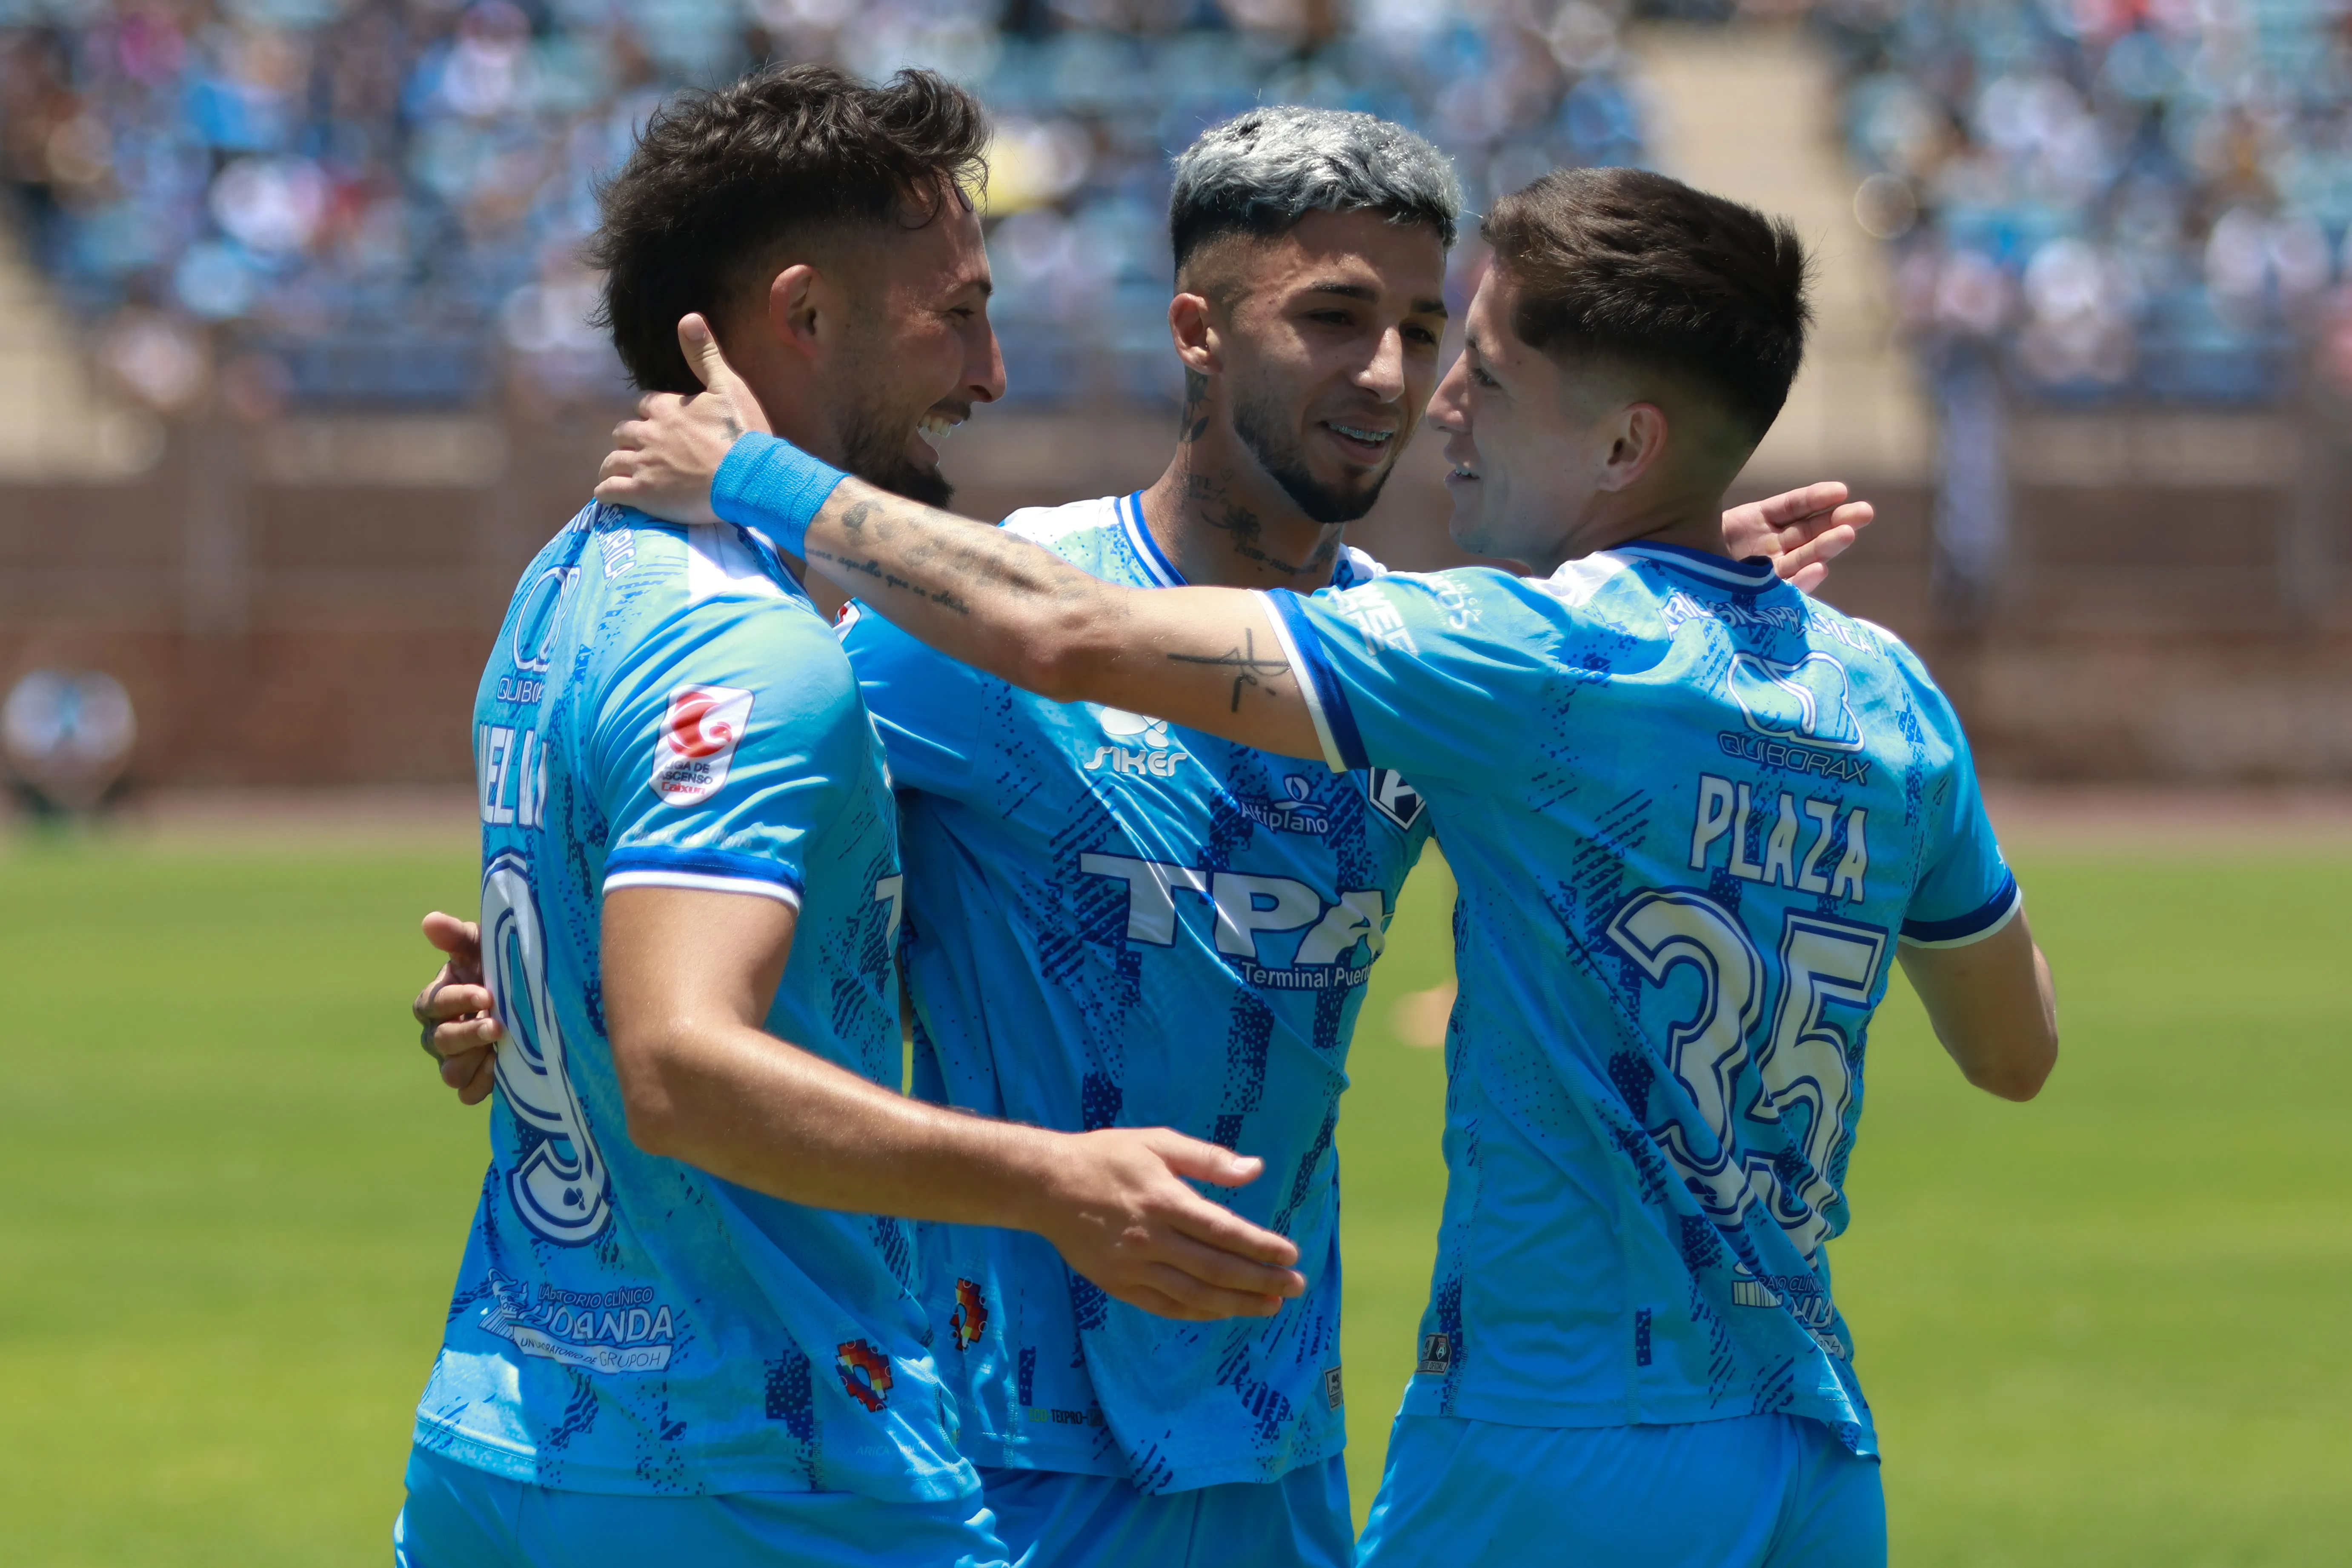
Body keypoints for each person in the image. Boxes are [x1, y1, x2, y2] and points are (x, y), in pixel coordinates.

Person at [415, 110, 1877, 1566]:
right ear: (1199, 331)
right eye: (1331, 316)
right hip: (1000, 1451)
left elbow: (1608, 730)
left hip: (1276, 1443)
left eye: (1423, 331)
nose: (1383, 373)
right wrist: (540, 988)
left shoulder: (1418, 669)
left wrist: (1677, 583)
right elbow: (701, 821)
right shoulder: (966, 624)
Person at [392, 64, 1316, 1568]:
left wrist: (525, 1008)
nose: (993, 368)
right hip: (760, 1470)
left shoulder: (566, 580)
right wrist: (1056, 1181)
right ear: (805, 315)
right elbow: (686, 1062)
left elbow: (612, 985)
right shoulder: (752, 652)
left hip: (515, 1428)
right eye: (955, 311)